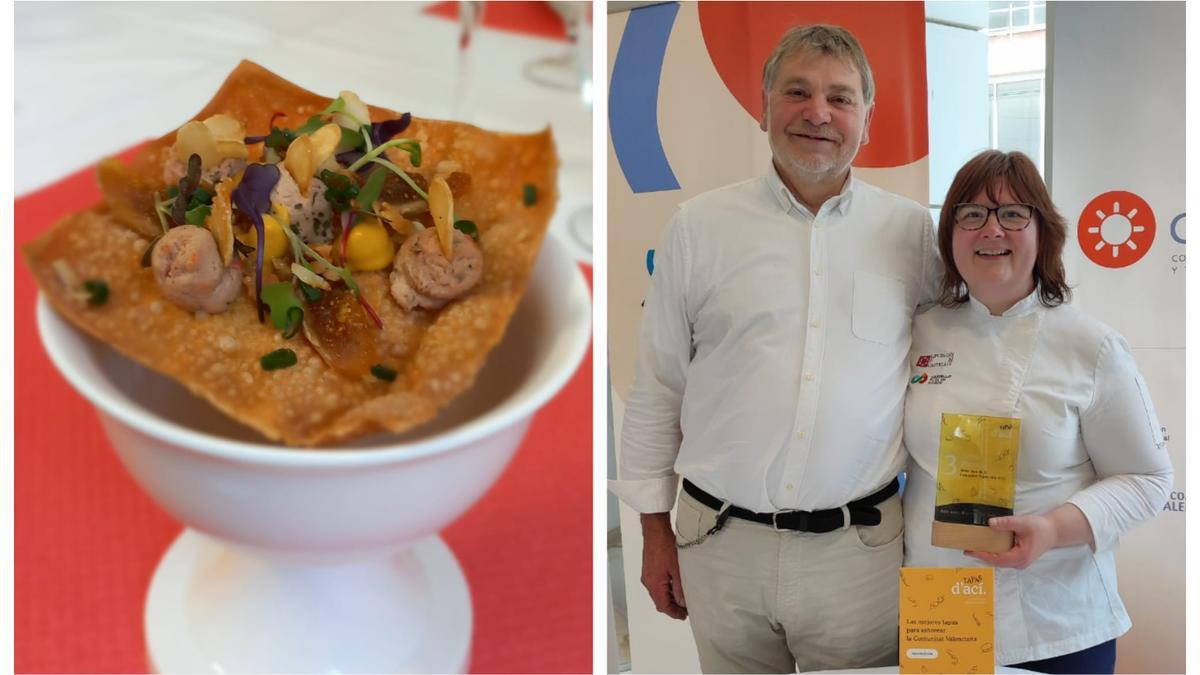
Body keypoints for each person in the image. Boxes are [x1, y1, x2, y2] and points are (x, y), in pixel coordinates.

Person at [609, 24, 939, 673]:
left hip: (860, 554)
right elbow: (659, 386)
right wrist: (652, 528)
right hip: (720, 547)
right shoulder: (699, 229)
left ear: (866, 121)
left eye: (841, 98)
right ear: (764, 106)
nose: (818, 113)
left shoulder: (913, 236)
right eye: (798, 92)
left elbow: (950, 374)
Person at [902, 150, 1173, 674]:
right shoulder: (921, 330)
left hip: (1057, 618)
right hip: (940, 606)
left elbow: (1147, 478)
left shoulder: (1090, 346)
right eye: (972, 214)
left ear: (1042, 232)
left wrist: (1053, 528)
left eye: (1012, 214)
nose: (991, 230)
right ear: (949, 234)